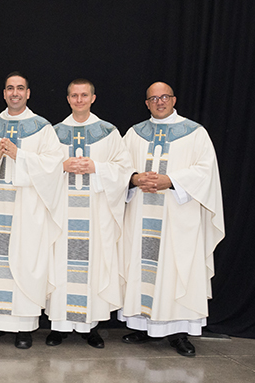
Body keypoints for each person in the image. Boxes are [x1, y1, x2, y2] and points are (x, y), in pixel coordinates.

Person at [119, 82, 224, 357]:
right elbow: (119, 168)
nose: (159, 102)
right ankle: (142, 325)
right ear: (147, 103)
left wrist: (171, 181)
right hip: (142, 214)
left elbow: (206, 172)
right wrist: (134, 178)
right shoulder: (134, 134)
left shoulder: (195, 133)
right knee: (143, 269)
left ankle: (178, 333)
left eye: (164, 96)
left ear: (174, 99)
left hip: (179, 217)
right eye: (153, 98)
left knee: (175, 270)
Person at [0, 72, 65, 349]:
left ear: (28, 93)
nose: (15, 93)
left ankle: (24, 328)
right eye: (10, 88)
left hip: (27, 208)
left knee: (24, 262)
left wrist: (19, 155)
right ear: (4, 93)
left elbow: (54, 164)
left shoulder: (42, 127)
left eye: (20, 88)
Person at [45, 79, 132, 348]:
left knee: (93, 264)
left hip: (95, 211)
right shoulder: (53, 132)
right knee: (60, 265)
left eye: (84, 95)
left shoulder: (108, 132)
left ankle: (89, 328)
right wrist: (62, 165)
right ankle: (58, 326)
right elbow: (41, 167)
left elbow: (124, 169)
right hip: (63, 211)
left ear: (93, 98)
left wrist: (97, 167)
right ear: (68, 98)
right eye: (74, 95)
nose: (79, 100)